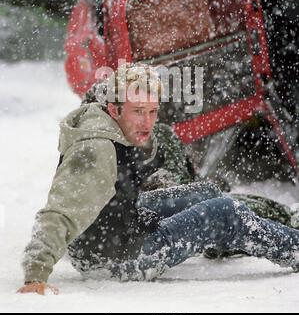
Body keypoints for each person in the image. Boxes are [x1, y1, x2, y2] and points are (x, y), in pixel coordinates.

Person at [18, 63, 299, 295]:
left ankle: (246, 237)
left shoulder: (105, 116)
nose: (147, 122)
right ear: (115, 109)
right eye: (138, 111)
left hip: (114, 233)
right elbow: (59, 211)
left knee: (206, 193)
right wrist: (35, 275)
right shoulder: (96, 148)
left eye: (152, 111)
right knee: (226, 213)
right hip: (115, 259)